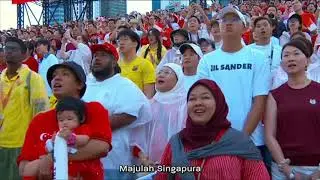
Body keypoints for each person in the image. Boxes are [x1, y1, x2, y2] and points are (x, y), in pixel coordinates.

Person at [197, 6, 271, 170]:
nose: (228, 24)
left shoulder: (258, 58)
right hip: (215, 140)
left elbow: (259, 101)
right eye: (224, 20)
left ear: (245, 27)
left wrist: (242, 138)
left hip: (251, 141)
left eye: (234, 20)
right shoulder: (207, 61)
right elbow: (202, 100)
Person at [155, 79, 270, 180]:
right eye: (192, 99)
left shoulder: (240, 143)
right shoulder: (177, 143)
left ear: (218, 103)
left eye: (205, 97)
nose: (198, 103)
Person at [17, 61, 112, 180]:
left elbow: (101, 147)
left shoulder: (93, 110)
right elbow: (23, 168)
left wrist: (52, 158)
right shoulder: (39, 120)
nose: (57, 78)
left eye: (65, 74)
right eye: (54, 76)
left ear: (79, 84)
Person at [82, 43, 152, 179]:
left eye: (103, 56)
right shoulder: (86, 85)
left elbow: (128, 115)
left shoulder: (124, 85)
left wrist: (86, 128)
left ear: (114, 62)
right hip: (85, 153)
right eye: (95, 56)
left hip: (114, 155)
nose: (97, 59)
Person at [265, 38, 320, 180]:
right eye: (286, 55)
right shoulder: (275, 95)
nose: (290, 58)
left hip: (316, 167)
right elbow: (270, 135)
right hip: (284, 167)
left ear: (307, 60)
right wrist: (286, 169)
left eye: (296, 54)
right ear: (282, 63)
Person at [0, 37, 49, 180]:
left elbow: (41, 113)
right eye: (6, 48)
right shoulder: (1, 79)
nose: (8, 52)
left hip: (20, 144)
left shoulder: (32, 78)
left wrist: (39, 146)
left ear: (23, 55)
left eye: (13, 49)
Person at [22, 96, 104, 179]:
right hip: (56, 162)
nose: (65, 122)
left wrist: (71, 138)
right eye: (61, 120)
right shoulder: (59, 133)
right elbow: (48, 148)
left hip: (76, 162)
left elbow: (84, 139)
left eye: (69, 119)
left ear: (81, 119)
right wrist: (52, 142)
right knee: (28, 169)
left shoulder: (82, 129)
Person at [138, 63, 187, 167]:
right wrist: (143, 158)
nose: (161, 75)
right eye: (159, 72)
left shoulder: (186, 104)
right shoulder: (149, 104)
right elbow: (139, 135)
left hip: (179, 163)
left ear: (178, 80)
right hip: (151, 163)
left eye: (167, 72)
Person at [118, 29, 156, 99]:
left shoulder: (145, 64)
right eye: (119, 40)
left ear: (135, 43)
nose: (121, 43)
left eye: (125, 39)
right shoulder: (115, 66)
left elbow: (149, 95)